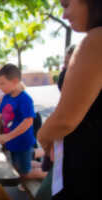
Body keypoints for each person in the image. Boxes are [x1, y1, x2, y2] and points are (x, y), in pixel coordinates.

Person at [37, 0, 102, 199]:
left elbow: (65, 119)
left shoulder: (96, 39)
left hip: (86, 166)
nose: (63, 15)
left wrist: (43, 137)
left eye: (66, 5)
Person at [0, 64, 46, 180]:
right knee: (17, 166)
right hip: (12, 141)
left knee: (25, 173)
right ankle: (43, 166)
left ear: (15, 81)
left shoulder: (25, 99)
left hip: (23, 142)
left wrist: (7, 136)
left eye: (2, 83)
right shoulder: (6, 97)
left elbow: (28, 122)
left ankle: (51, 175)